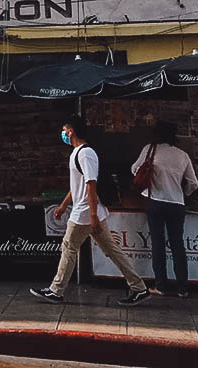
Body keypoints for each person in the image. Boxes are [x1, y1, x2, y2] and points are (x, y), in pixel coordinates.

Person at [31, 118, 150, 307]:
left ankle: (56, 290)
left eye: (64, 129)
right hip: (88, 211)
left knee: (69, 247)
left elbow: (91, 184)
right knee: (111, 250)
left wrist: (93, 215)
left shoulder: (86, 154)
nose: (63, 133)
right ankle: (139, 287)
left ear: (71, 131)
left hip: (85, 212)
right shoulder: (77, 153)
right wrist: (63, 205)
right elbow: (77, 185)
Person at [131, 120, 198, 297]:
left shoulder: (149, 149)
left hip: (154, 201)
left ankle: (161, 285)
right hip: (177, 204)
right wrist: (181, 193)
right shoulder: (182, 155)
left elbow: (134, 169)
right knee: (178, 244)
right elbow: (193, 183)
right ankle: (182, 288)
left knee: (158, 243)